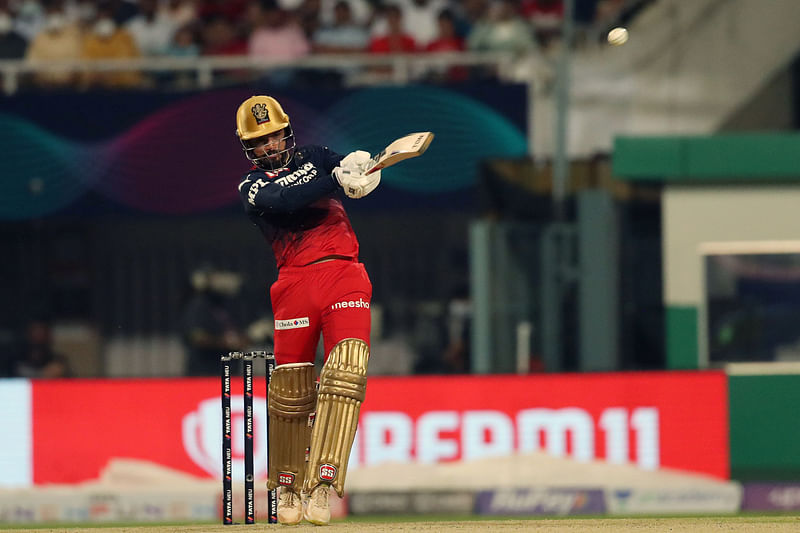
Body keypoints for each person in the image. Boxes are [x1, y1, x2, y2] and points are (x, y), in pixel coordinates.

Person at [235, 95, 379, 525]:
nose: (269, 145)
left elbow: (350, 170)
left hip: (344, 274)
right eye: (259, 140)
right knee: (291, 390)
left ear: (287, 131)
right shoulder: (252, 186)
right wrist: (334, 177)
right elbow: (284, 200)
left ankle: (323, 485)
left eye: (274, 134)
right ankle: (287, 486)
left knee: (348, 370)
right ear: (248, 147)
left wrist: (358, 174)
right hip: (294, 282)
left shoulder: (316, 156)